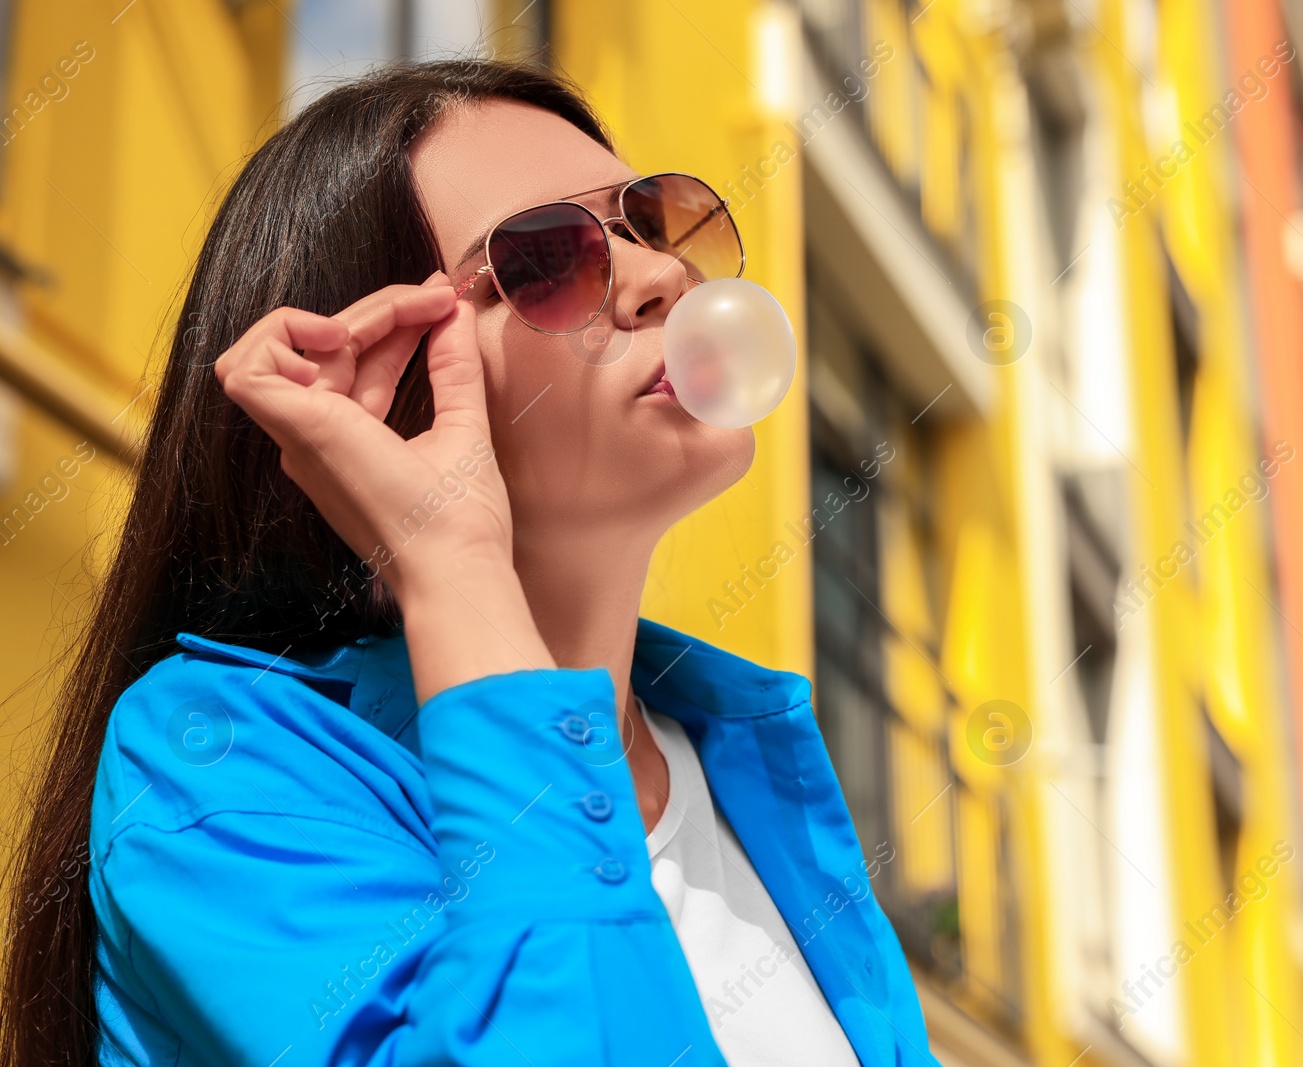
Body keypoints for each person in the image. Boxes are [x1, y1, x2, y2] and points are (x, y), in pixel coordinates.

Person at [0, 60, 933, 1067]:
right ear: (380, 378)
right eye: (545, 260)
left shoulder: (745, 761)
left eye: (650, 223)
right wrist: (448, 556)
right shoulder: (219, 764)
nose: (663, 277)